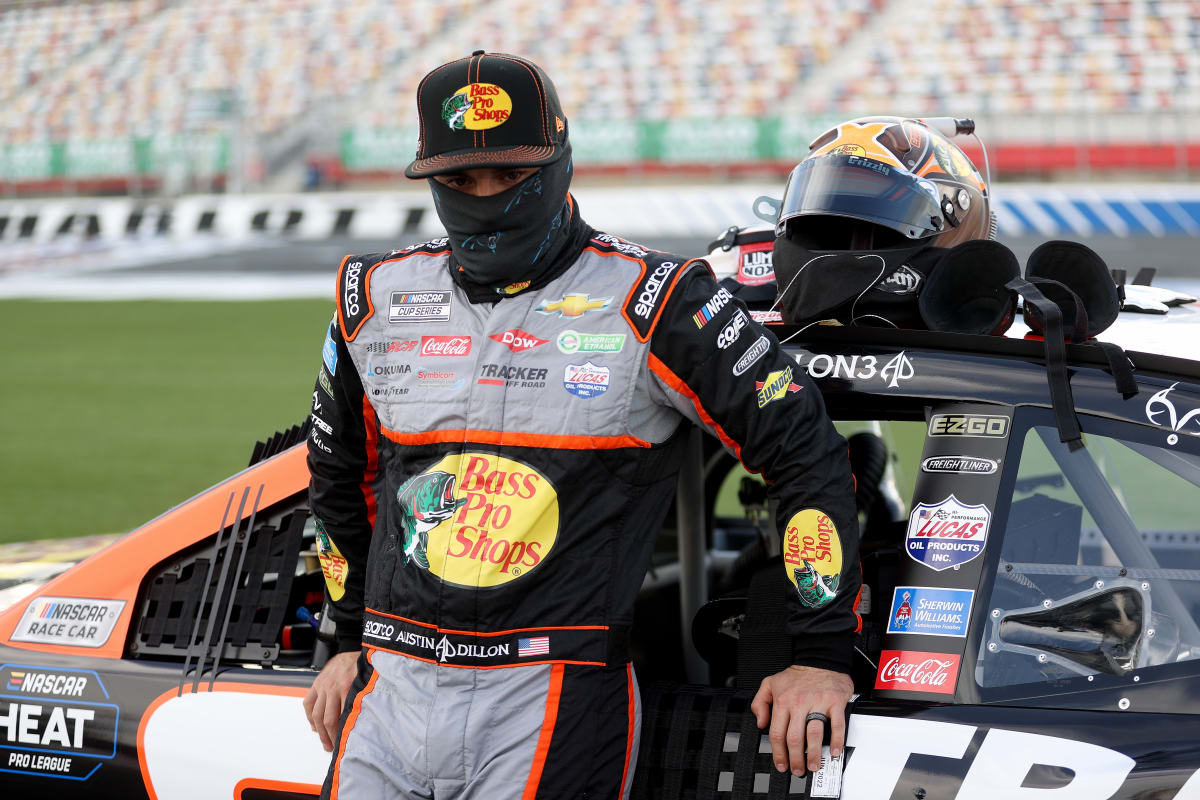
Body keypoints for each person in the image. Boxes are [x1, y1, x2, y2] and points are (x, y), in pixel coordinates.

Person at [303, 51, 861, 800]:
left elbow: (803, 452)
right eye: (461, 181)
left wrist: (819, 650)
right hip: (390, 685)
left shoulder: (660, 299)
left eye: (510, 174)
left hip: (552, 691)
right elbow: (336, 478)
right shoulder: (371, 299)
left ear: (561, 162)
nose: (487, 197)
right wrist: (345, 636)